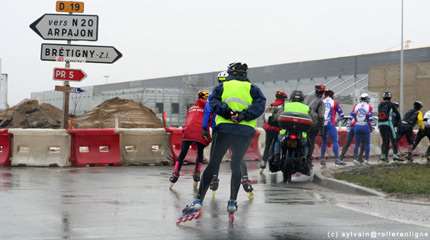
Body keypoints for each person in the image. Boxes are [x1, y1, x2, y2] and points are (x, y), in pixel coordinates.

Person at [177, 62, 266, 224]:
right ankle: (232, 202)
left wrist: (228, 112)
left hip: (224, 128)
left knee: (213, 164)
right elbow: (260, 106)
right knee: (237, 163)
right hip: (244, 131)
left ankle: (198, 201)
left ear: (230, 73)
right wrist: (243, 116)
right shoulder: (254, 89)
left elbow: (213, 103)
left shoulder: (222, 87)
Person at [202, 71, 255, 199]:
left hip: (220, 129)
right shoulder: (238, 90)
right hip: (239, 128)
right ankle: (245, 180)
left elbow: (207, 112)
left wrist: (204, 128)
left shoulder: (217, 92)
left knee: (216, 158)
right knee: (238, 158)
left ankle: (214, 179)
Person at [169, 90, 211, 188]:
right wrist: (208, 136)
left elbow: (188, 119)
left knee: (183, 153)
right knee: (200, 152)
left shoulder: (191, 108)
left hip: (188, 131)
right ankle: (196, 173)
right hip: (200, 132)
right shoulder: (209, 107)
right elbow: (209, 121)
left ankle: (175, 173)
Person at [277, 90, 312, 178]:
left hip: (285, 132)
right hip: (301, 134)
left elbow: (277, 116)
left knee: (277, 142)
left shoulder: (286, 105)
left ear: (291, 98)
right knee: (307, 145)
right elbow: (313, 119)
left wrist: (273, 120)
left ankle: (276, 156)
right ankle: (305, 159)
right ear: (302, 99)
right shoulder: (306, 107)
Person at [260, 90, 288, 172]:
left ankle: (263, 162)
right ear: (283, 98)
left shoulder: (271, 105)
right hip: (278, 129)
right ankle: (276, 160)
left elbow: (265, 118)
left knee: (267, 146)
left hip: (268, 129)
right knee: (277, 144)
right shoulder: (283, 106)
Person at [320, 90, 345, 166]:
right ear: (332, 95)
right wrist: (337, 120)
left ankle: (322, 159)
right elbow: (342, 114)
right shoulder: (334, 102)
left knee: (324, 142)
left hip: (322, 124)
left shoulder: (321, 102)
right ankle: (337, 159)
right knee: (335, 141)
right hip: (331, 124)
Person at [305, 84, 326, 167]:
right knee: (311, 142)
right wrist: (321, 129)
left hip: (302, 122)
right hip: (312, 124)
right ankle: (308, 160)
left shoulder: (307, 97)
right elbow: (321, 116)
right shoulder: (321, 102)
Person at [377, 92, 401, 162]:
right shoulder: (391, 104)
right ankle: (395, 155)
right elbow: (398, 115)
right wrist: (397, 124)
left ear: (383, 97)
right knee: (394, 139)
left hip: (380, 124)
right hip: (388, 124)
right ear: (390, 97)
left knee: (385, 141)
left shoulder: (380, 104)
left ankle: (383, 156)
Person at [351, 93, 373, 165]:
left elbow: (353, 114)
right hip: (365, 125)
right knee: (367, 144)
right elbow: (369, 118)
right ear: (367, 99)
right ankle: (366, 160)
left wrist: (357, 120)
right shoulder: (369, 106)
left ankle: (355, 159)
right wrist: (370, 127)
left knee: (357, 144)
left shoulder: (356, 106)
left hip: (357, 126)